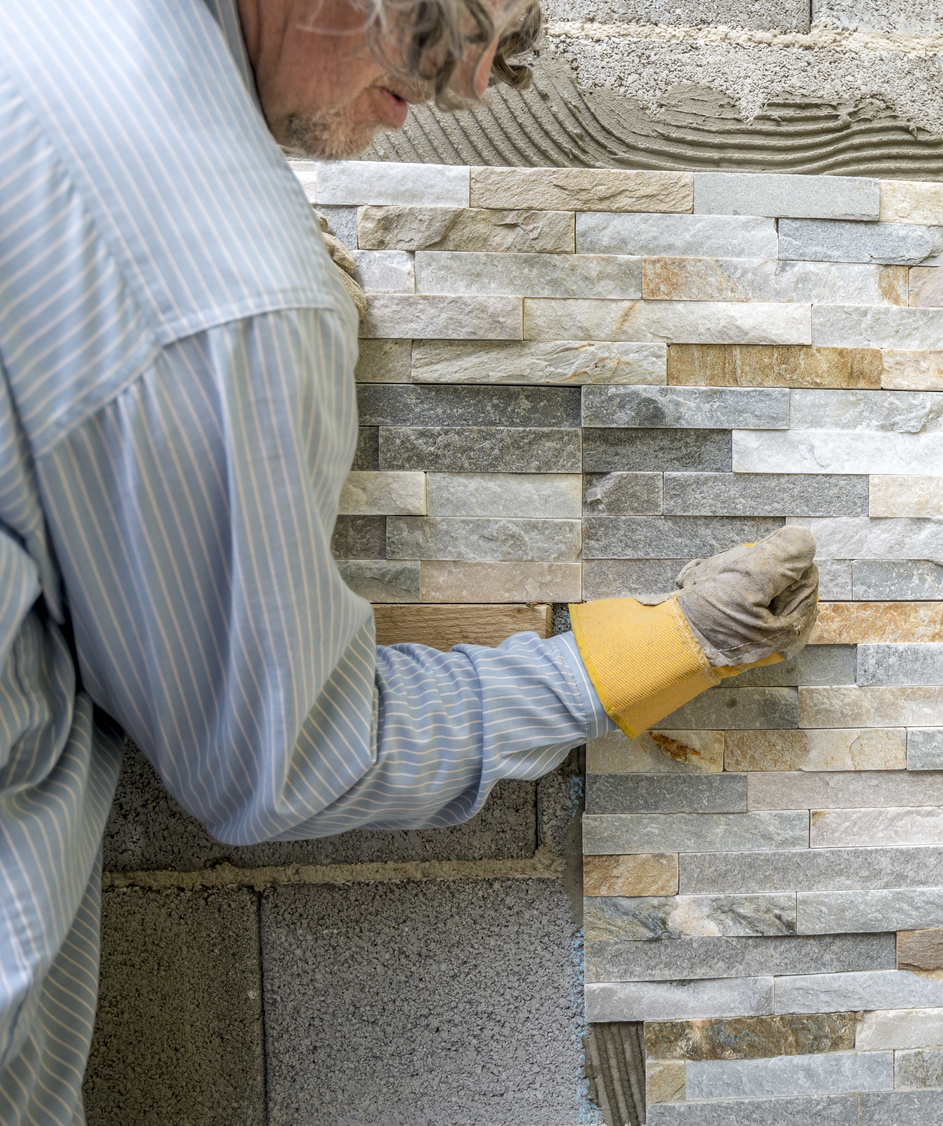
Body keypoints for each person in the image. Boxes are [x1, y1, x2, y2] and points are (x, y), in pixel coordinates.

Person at [0, 0, 818, 1120]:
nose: (474, 84)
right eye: (462, 19)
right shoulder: (226, 294)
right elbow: (283, 759)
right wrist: (636, 659)